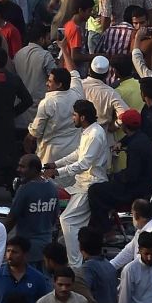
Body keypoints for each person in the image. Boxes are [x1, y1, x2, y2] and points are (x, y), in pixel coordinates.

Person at [46, 99, 109, 267]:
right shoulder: (88, 131)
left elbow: (84, 164)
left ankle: (76, 266)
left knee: (67, 220)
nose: (72, 118)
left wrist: (57, 172)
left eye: (74, 115)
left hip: (90, 184)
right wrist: (56, 164)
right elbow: (77, 154)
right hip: (81, 183)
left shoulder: (95, 134)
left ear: (82, 117)